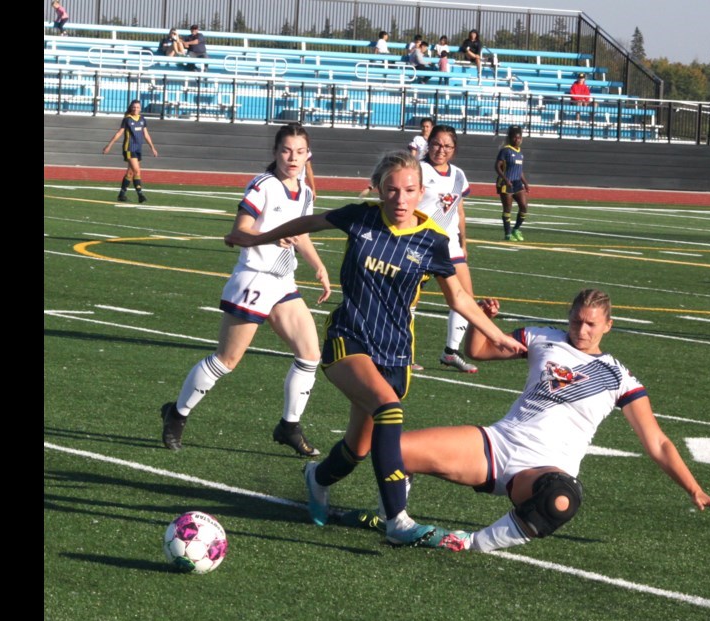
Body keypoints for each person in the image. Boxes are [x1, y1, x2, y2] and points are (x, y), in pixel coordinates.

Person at [224, 150, 526, 547]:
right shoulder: (360, 216)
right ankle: (397, 520)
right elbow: (307, 223)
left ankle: (316, 479)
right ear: (380, 190)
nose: (400, 199)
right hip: (348, 338)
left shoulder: (433, 239)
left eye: (410, 190)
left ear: (422, 192)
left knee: (358, 448)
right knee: (389, 409)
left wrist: (499, 336)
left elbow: (460, 299)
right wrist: (256, 236)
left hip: (395, 351)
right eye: (392, 190)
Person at [356, 289, 710, 552]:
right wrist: (481, 321)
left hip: (543, 469)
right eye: (576, 321)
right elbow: (479, 351)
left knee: (560, 500)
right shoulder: (542, 337)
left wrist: (694, 489)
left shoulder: (619, 376)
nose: (582, 330)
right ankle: (396, 520)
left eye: (591, 324)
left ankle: (471, 543)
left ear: (608, 325)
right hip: (497, 444)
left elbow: (657, 442)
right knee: (394, 450)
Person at [159, 124, 332, 457]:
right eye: (286, 150)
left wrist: (318, 266)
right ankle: (176, 414)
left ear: (308, 155)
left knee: (310, 355)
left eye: (299, 152)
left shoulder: (306, 191)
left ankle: (289, 426)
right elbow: (237, 232)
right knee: (227, 360)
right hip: (254, 278)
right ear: (275, 152)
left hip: (283, 281)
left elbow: (302, 233)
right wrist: (267, 237)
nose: (292, 158)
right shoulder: (263, 184)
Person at [417, 125, 478, 374]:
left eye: (447, 146)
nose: (441, 150)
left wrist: (464, 242)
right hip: (419, 242)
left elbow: (459, 211)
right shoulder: (417, 170)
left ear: (454, 150)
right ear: (428, 144)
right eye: (437, 144)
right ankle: (401, 353)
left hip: (448, 244)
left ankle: (450, 352)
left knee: (464, 299)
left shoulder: (459, 175)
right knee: (407, 300)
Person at [102, 100, 158, 203]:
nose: (135, 109)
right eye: (134, 107)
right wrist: (109, 145)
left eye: (137, 107)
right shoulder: (127, 119)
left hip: (138, 148)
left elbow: (146, 134)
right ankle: (140, 195)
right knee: (137, 171)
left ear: (140, 108)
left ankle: (121, 195)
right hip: (129, 148)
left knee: (130, 172)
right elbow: (119, 133)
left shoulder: (142, 119)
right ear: (131, 108)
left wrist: (152, 147)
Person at [495, 125, 530, 241]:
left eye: (519, 138)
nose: (517, 140)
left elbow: (519, 171)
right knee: (507, 209)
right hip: (506, 183)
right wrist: (505, 179)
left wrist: (525, 183)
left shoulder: (520, 153)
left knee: (524, 207)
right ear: (511, 138)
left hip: (517, 183)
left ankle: (516, 229)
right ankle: (508, 234)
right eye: (515, 138)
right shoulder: (505, 150)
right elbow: (497, 166)